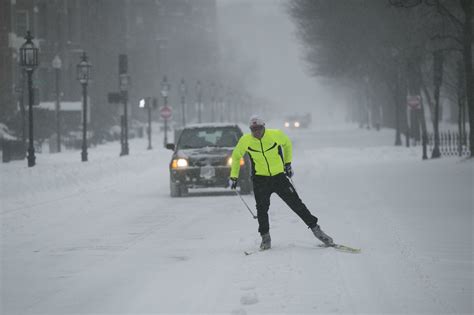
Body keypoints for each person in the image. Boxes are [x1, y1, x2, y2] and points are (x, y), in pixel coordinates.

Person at [229, 115, 334, 250]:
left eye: (259, 128)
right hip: (260, 179)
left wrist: (287, 164)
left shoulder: (275, 135)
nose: (256, 132)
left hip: (279, 178)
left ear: (264, 127)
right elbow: (236, 156)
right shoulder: (246, 140)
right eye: (253, 129)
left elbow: (287, 144)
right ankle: (265, 238)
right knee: (261, 210)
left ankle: (318, 231)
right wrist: (234, 176)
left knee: (297, 204)